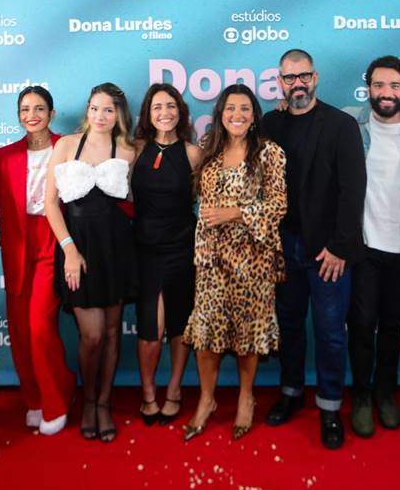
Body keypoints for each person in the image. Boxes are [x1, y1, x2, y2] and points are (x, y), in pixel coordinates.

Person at [262, 49, 366, 450]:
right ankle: (290, 392)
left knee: (330, 332)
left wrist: (340, 247)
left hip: (328, 251)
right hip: (283, 247)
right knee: (289, 326)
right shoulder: (269, 124)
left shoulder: (341, 125)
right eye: (289, 78)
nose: (298, 84)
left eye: (303, 76)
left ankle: (329, 406)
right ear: (280, 82)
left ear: (316, 77)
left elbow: (353, 190)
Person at [182, 84, 287, 441]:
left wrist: (235, 213)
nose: (237, 114)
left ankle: (246, 397)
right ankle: (206, 399)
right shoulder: (208, 150)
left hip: (253, 260)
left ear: (254, 115)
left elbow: (279, 205)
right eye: (230, 108)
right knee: (206, 334)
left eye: (244, 108)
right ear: (220, 114)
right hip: (212, 260)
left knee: (248, 334)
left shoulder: (269, 153)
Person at [44, 82, 136, 442]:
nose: (101, 116)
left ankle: (104, 403)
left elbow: (141, 193)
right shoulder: (66, 145)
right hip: (77, 246)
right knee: (92, 335)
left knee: (112, 331)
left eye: (109, 110)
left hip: (115, 246)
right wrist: (69, 249)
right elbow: (51, 204)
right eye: (95, 108)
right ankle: (87, 400)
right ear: (87, 110)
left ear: (119, 115)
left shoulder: (128, 150)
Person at [347, 55, 400, 438]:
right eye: (379, 85)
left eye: (394, 86)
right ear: (368, 88)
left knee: (393, 327)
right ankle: (362, 396)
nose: (386, 92)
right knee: (362, 325)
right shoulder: (351, 122)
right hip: (365, 245)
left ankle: (385, 392)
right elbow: (310, 115)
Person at [0, 86, 76, 436]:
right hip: (16, 245)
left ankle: (57, 401)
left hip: (53, 240)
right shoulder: (4, 156)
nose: (32, 115)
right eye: (25, 109)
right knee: (20, 330)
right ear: (18, 115)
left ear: (51, 114)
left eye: (39, 108)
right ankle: (35, 400)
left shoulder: (66, 146)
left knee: (40, 328)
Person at [131, 83, 202, 426]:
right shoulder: (135, 149)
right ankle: (148, 392)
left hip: (183, 247)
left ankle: (174, 389)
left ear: (180, 111)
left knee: (179, 323)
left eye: (171, 106)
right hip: (145, 249)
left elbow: (206, 197)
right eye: (157, 106)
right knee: (151, 327)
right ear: (148, 113)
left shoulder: (193, 153)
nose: (165, 113)